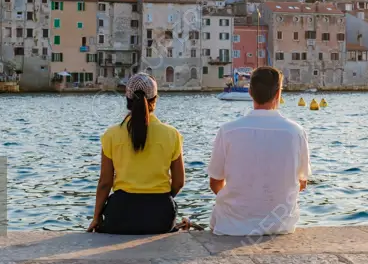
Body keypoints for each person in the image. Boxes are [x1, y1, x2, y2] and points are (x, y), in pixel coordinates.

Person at [208, 66, 311, 236]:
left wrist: (241, 201)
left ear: (250, 92)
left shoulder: (227, 131)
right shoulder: (296, 132)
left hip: (231, 224)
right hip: (280, 225)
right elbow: (302, 183)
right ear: (278, 94)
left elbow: (215, 183)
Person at [87, 73, 185, 235]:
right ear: (155, 99)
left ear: (127, 100)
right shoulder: (172, 134)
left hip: (120, 215)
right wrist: (161, 199)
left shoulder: (111, 134)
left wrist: (96, 217)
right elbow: (179, 182)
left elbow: (105, 182)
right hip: (160, 217)